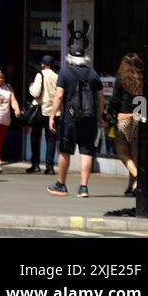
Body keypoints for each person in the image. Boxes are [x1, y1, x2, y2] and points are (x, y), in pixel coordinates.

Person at [48, 43, 104, 197]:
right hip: (89, 118)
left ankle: (61, 185)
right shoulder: (93, 74)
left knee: (65, 151)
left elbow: (59, 96)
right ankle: (83, 187)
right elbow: (101, 99)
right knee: (86, 151)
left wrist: (52, 116)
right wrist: (99, 117)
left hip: (70, 118)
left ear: (70, 57)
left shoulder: (65, 72)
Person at [109, 52, 143, 197]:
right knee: (134, 154)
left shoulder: (121, 79)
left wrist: (111, 112)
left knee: (122, 152)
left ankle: (139, 180)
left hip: (125, 117)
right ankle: (131, 186)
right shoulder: (143, 79)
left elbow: (115, 100)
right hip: (140, 117)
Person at [24, 55, 59, 174]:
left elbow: (35, 92)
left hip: (40, 110)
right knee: (51, 139)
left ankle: (35, 164)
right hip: (54, 112)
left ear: (43, 64)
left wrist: (31, 86)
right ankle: (50, 166)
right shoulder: (56, 76)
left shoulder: (41, 75)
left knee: (35, 137)